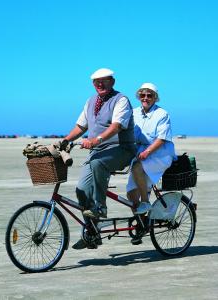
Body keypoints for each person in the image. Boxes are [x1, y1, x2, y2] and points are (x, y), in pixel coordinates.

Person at [59, 68, 136, 249]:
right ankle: (93, 233)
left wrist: (96, 140)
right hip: (97, 151)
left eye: (104, 81)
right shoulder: (91, 101)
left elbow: (117, 126)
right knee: (81, 190)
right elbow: (81, 125)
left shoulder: (121, 100)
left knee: (97, 163)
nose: (99, 84)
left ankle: (100, 207)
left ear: (112, 82)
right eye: (96, 82)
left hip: (121, 149)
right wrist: (65, 140)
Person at [126, 83, 176, 217]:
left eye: (149, 95)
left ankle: (146, 202)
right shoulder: (134, 113)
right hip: (141, 152)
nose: (145, 98)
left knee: (137, 168)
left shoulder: (162, 114)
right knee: (131, 193)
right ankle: (142, 224)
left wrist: (147, 152)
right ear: (139, 97)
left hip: (161, 153)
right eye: (143, 95)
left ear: (155, 98)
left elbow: (162, 139)